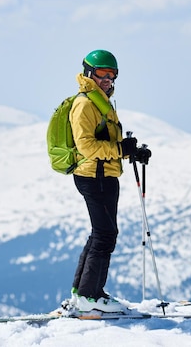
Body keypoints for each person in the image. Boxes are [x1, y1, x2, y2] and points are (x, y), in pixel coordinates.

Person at [67, 49, 151, 313]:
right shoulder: (85, 105)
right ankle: (89, 298)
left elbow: (107, 143)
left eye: (112, 75)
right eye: (103, 74)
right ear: (90, 74)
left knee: (101, 235)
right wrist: (120, 150)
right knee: (105, 236)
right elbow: (88, 146)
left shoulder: (99, 100)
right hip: (94, 177)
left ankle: (84, 294)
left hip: (103, 175)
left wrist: (131, 152)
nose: (108, 79)